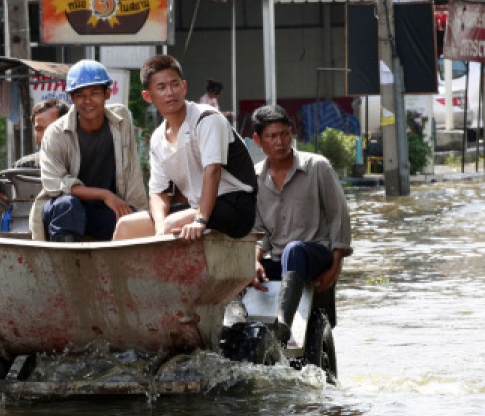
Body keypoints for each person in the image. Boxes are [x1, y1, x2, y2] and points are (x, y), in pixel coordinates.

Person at [113, 55, 256, 242]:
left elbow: (212, 171)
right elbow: (158, 192)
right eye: (161, 87)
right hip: (197, 208)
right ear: (147, 96)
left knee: (171, 225)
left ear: (184, 87)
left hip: (234, 206)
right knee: (126, 227)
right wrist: (159, 227)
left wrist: (200, 220)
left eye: (175, 84)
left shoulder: (206, 118)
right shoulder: (157, 139)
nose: (170, 92)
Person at [250, 104, 352, 346]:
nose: (280, 141)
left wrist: (336, 266)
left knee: (294, 250)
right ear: (258, 140)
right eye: (272, 136)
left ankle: (283, 324)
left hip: (315, 254)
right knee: (235, 268)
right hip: (279, 261)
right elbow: (259, 231)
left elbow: (339, 216)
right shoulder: (255, 178)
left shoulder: (317, 166)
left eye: (285, 134)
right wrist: (253, 261)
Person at [28, 59, 147, 242]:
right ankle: (65, 265)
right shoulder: (55, 133)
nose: (88, 101)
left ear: (107, 93)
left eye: (94, 93)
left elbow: (132, 172)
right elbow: (55, 183)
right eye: (80, 95)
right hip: (64, 214)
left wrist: (138, 212)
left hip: (101, 211)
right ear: (72, 98)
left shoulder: (120, 120)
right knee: (68, 205)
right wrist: (104, 194)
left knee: (129, 219)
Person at [0, 98, 69, 203]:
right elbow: (11, 208)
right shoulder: (23, 166)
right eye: (39, 129)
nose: (45, 135)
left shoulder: (78, 164)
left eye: (51, 128)